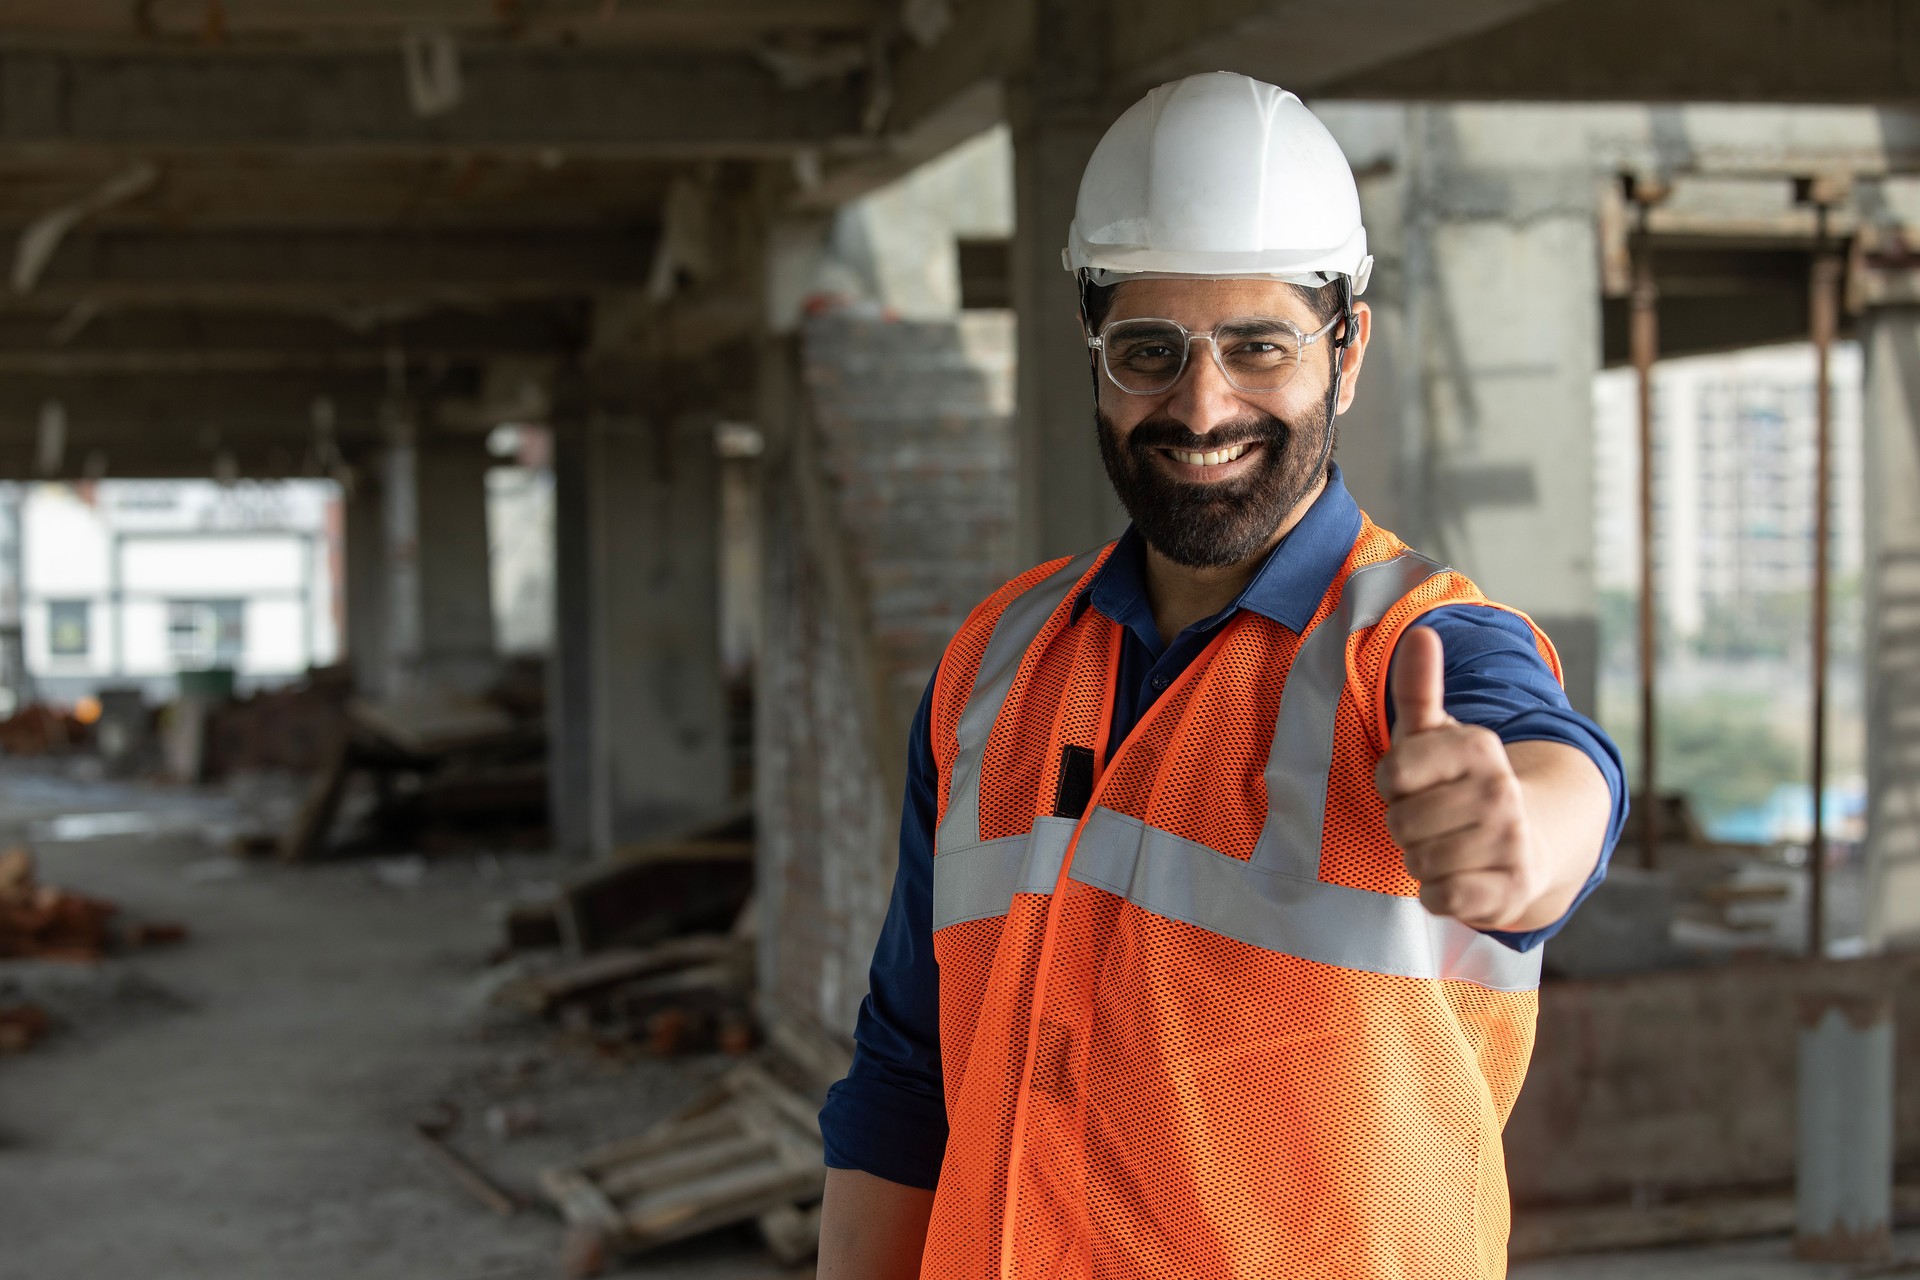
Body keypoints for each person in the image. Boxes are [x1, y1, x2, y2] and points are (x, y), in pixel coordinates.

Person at [815, 71, 1626, 1280]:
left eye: (1260, 346)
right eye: (1150, 349)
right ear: (1094, 352)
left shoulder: (1412, 647)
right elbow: (907, 1068)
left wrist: (1526, 839)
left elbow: (1558, 769)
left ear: (1345, 351)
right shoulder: (997, 661)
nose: (1201, 405)